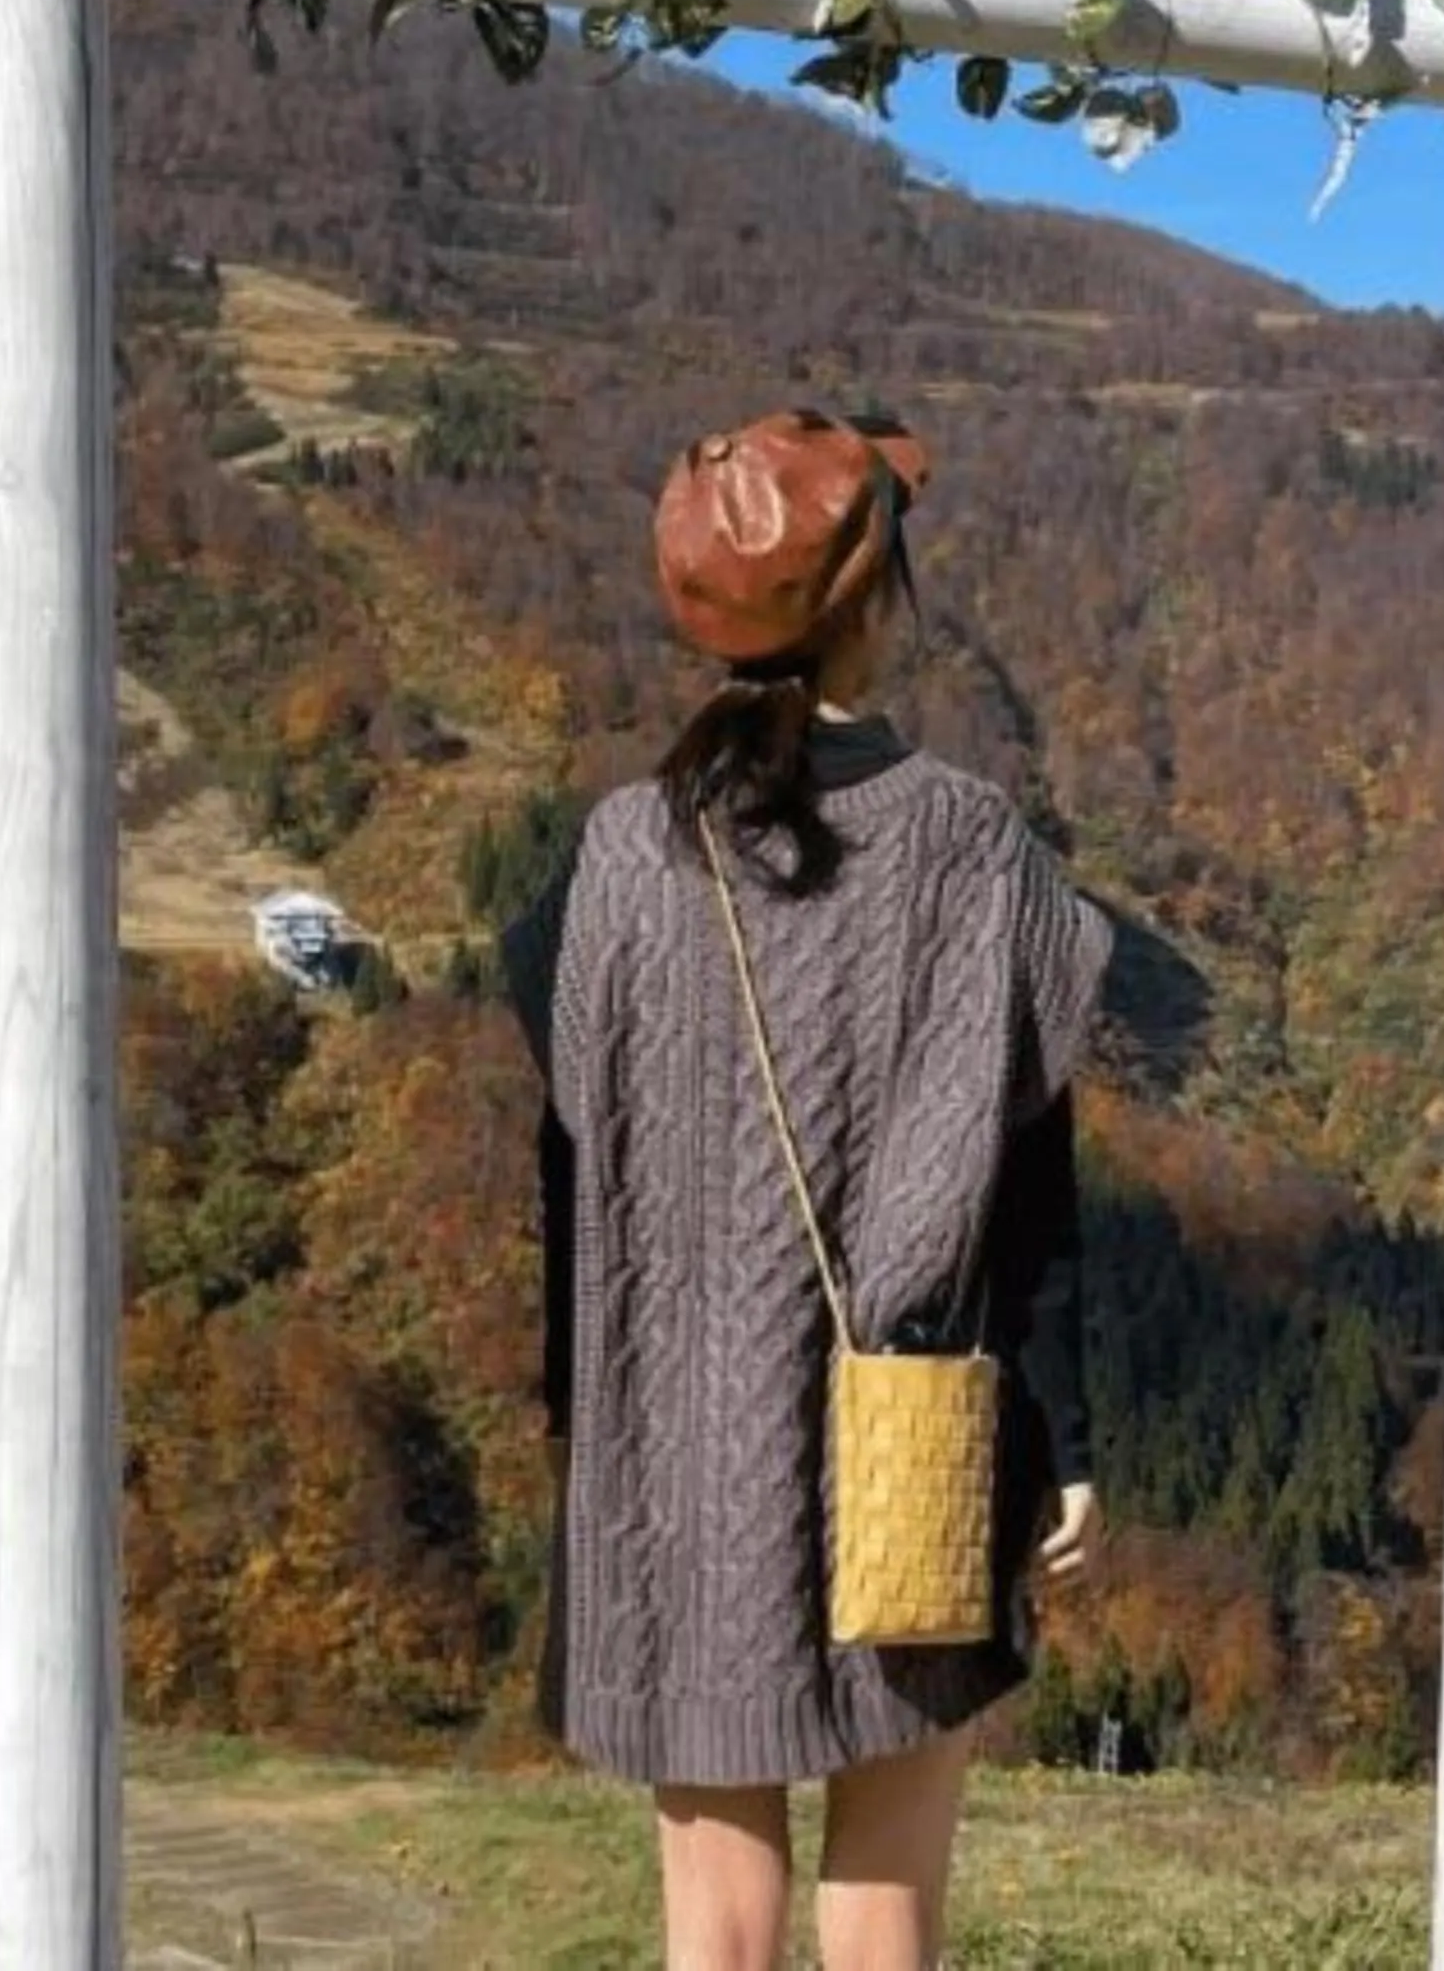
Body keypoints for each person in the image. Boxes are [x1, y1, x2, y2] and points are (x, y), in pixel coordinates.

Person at [500, 406, 1113, 1971]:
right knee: (886, 1911)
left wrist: (587, 1425)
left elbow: (573, 1169)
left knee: (714, 1930)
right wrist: (1063, 1444)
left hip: (674, 1451)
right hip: (908, 1436)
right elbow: (1025, 1184)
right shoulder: (973, 850)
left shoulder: (621, 859)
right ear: (874, 601)